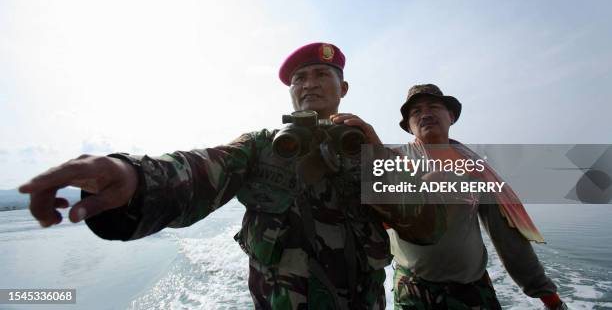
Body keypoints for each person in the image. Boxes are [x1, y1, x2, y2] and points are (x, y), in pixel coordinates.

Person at [19, 43, 440, 310]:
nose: (309, 84)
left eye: (321, 75)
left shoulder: (371, 152)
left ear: (342, 88)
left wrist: (377, 157)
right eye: (299, 78)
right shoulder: (261, 147)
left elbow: (423, 226)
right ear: (290, 91)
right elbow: (202, 168)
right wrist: (134, 177)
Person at [388, 84, 567, 310]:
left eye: (433, 106)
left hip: (472, 289)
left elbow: (507, 236)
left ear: (451, 116)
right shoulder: (392, 162)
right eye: (415, 112)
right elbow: (377, 222)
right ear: (409, 126)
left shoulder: (477, 169)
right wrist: (419, 190)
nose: (425, 114)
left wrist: (548, 296)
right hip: (413, 290)